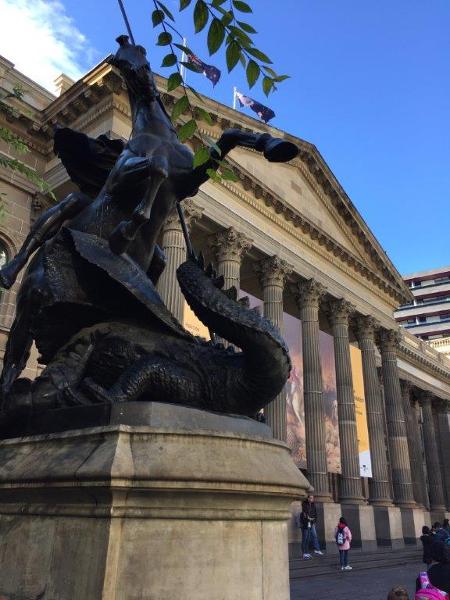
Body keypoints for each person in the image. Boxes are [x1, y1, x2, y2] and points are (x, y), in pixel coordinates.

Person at [297, 494, 324, 560]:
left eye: (312, 498)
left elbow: (315, 513)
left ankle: (315, 550)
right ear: (308, 498)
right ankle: (304, 553)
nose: (312, 499)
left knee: (312, 536)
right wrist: (308, 518)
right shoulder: (304, 504)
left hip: (311, 523)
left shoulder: (313, 505)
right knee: (305, 538)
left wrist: (314, 520)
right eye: (311, 498)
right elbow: (305, 514)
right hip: (305, 524)